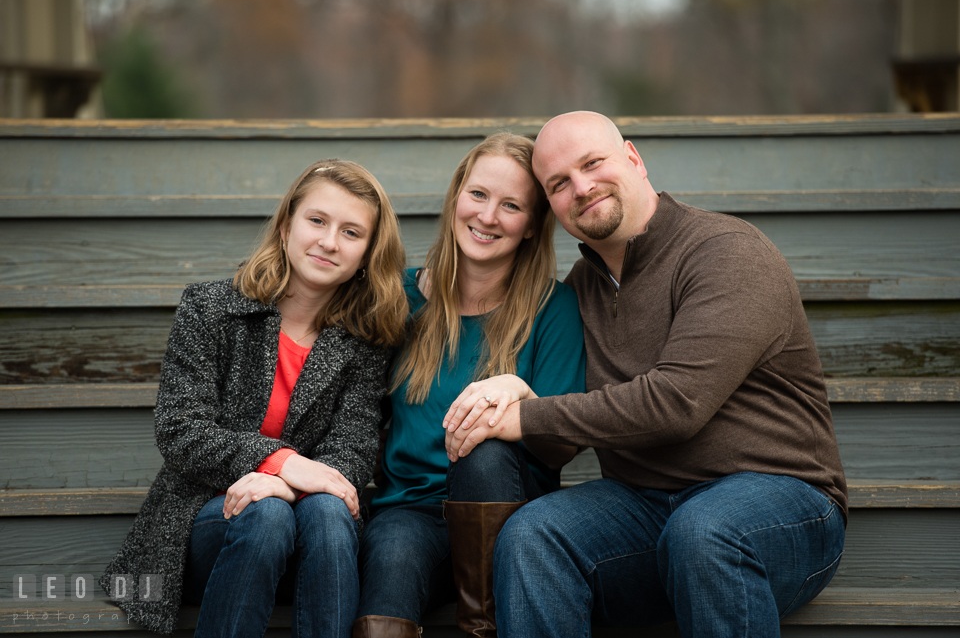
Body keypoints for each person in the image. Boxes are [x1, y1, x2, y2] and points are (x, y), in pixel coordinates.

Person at [444, 112, 848, 637]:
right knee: (531, 535)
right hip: (647, 509)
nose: (582, 188)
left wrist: (525, 415)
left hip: (782, 502)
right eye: (559, 184)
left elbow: (677, 404)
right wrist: (520, 389)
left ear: (633, 159)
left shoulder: (726, 251)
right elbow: (565, 433)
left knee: (704, 531)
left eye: (593, 164)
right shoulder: (582, 288)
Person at [100, 159, 408, 637]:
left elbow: (351, 452)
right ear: (286, 226)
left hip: (314, 540)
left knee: (324, 510)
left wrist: (283, 485)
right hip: (204, 529)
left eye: (351, 232)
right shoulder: (211, 309)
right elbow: (182, 430)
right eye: (317, 221)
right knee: (265, 516)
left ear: (368, 253)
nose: (329, 242)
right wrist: (283, 463)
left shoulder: (365, 341)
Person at [354, 133, 586, 637]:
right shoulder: (399, 299)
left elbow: (562, 446)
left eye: (511, 206)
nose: (487, 216)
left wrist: (520, 395)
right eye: (478, 194)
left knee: (481, 449)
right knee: (391, 558)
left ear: (531, 226)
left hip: (510, 517)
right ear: (457, 195)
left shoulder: (555, 308)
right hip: (410, 509)